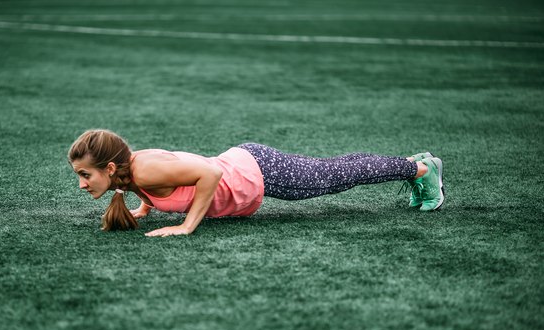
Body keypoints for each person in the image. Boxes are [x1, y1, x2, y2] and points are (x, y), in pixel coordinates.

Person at [68, 129, 444, 237]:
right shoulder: (130, 174)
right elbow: (156, 186)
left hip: (256, 171)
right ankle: (413, 166)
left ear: (110, 166)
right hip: (248, 164)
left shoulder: (144, 169)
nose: (83, 184)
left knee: (334, 176)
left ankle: (421, 172)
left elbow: (209, 174)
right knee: (334, 170)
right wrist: (144, 207)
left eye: (85, 174)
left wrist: (187, 225)